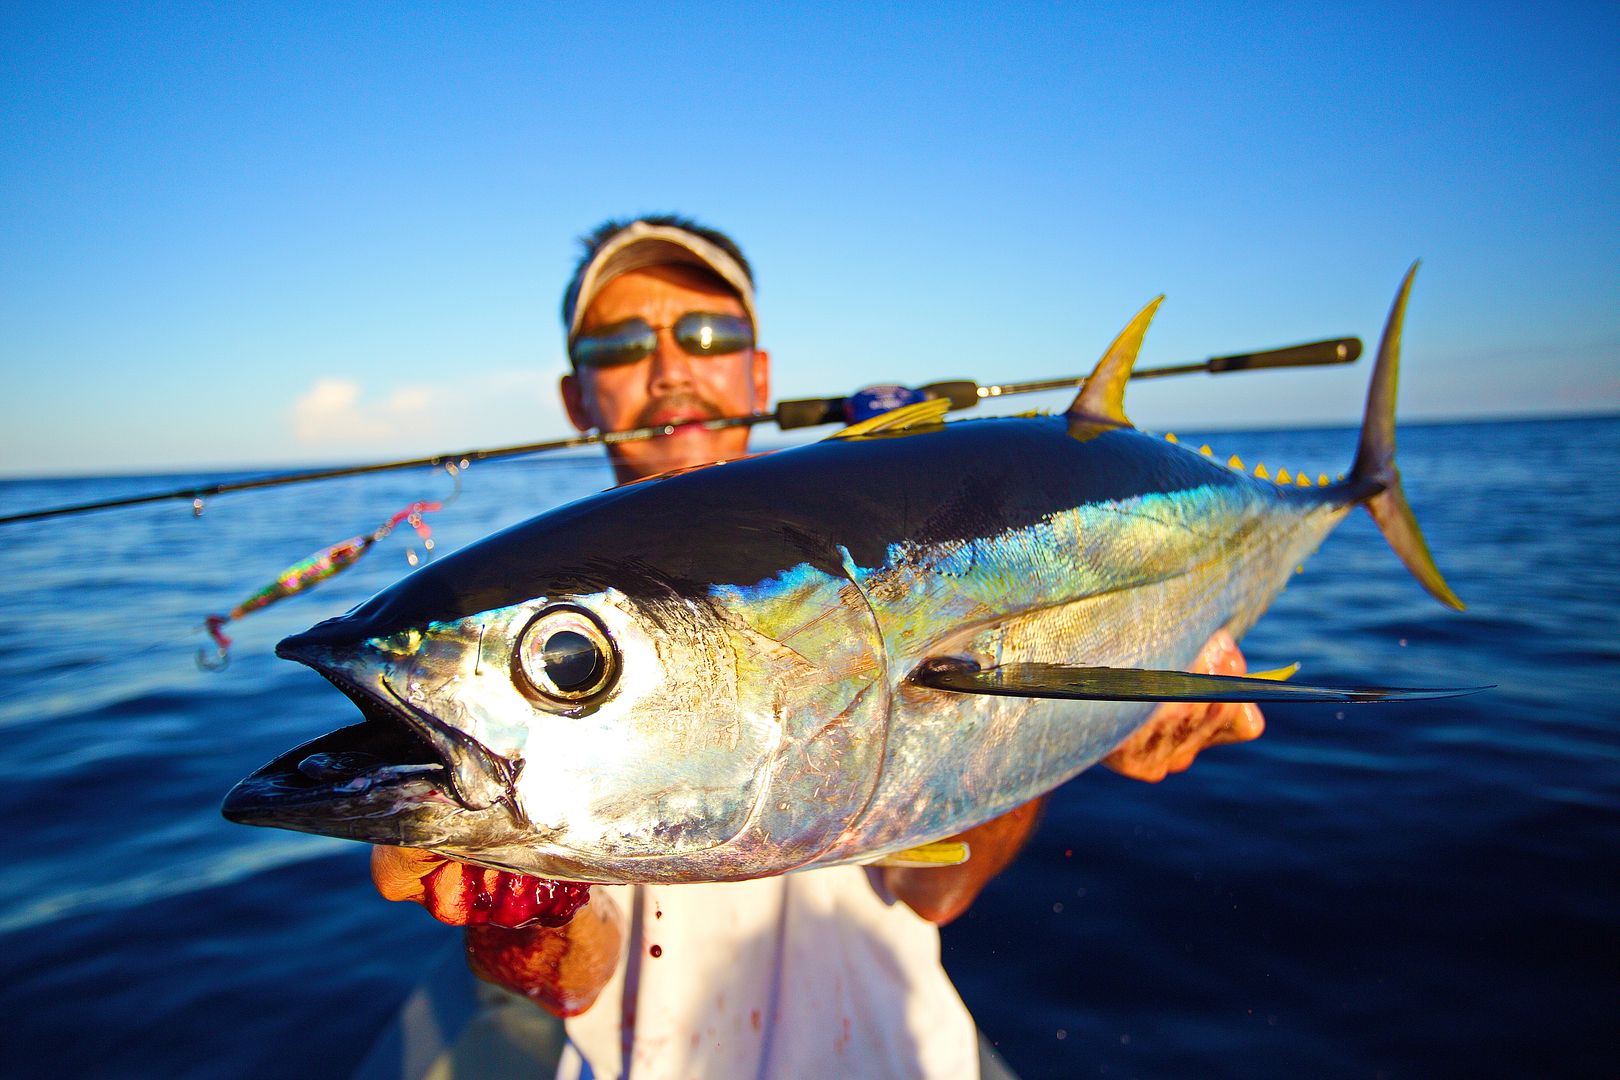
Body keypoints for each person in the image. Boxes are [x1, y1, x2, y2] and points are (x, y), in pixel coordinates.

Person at [369, 216, 1265, 1079]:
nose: (671, 368)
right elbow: (580, 981)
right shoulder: (511, 631)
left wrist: (1064, 708)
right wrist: (524, 913)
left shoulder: (869, 537)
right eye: (618, 346)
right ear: (577, 396)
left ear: (760, 373)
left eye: (709, 334)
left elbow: (937, 895)